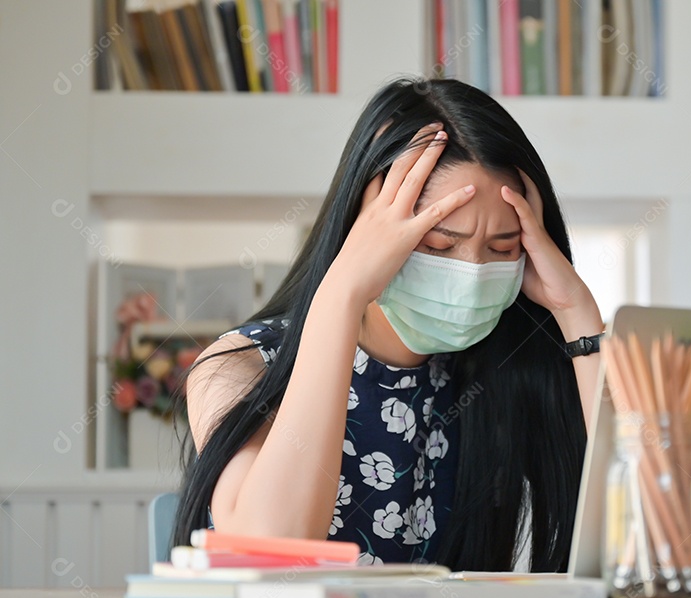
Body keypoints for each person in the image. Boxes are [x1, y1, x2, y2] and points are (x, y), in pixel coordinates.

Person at [170, 77, 605, 573]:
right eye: (439, 245)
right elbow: (274, 553)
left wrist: (577, 312)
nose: (471, 273)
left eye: (503, 249)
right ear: (368, 228)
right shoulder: (238, 368)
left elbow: (644, 528)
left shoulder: (498, 375)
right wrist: (340, 294)